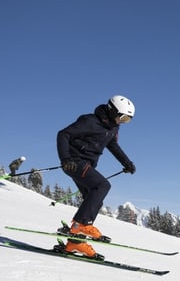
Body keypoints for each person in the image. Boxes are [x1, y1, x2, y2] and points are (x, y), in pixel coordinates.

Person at [56, 95, 137, 257]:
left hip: (87, 166)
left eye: (128, 120)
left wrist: (126, 162)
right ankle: (82, 224)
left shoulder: (113, 127)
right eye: (123, 117)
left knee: (93, 199)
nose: (123, 121)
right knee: (102, 186)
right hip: (74, 162)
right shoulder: (90, 121)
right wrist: (66, 159)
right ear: (111, 110)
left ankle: (74, 243)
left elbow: (112, 145)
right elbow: (63, 134)